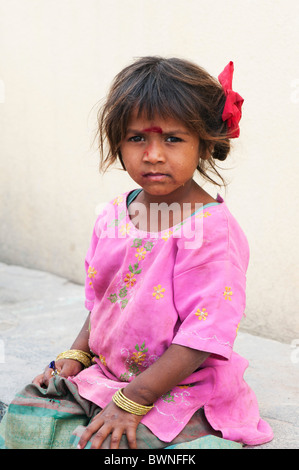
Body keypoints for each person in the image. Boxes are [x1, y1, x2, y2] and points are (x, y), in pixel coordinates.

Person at [1, 56, 273, 449]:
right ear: (118, 143)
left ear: (205, 144)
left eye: (173, 139)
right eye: (137, 138)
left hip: (179, 384)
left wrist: (134, 401)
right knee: (24, 417)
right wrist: (77, 353)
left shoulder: (212, 230)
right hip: (109, 373)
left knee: (118, 444)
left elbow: (202, 335)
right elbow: (104, 302)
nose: (153, 154)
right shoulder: (115, 213)